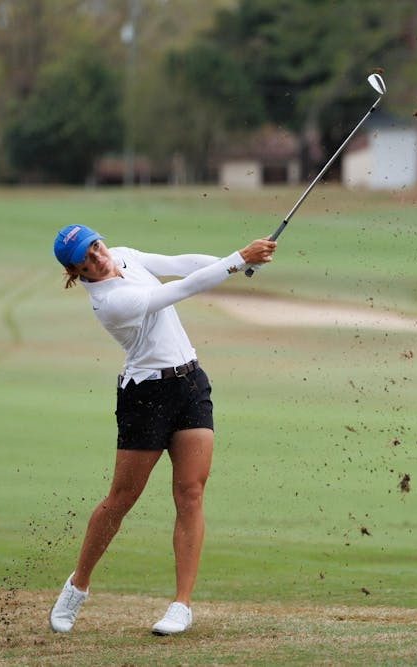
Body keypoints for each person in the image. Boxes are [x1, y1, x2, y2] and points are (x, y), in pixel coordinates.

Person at [47, 224, 277, 636]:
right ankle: (78, 584)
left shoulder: (121, 254)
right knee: (121, 499)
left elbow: (178, 265)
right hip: (145, 396)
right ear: (77, 272)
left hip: (190, 383)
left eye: (96, 247)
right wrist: (239, 259)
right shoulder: (111, 302)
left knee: (190, 492)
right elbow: (178, 290)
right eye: (88, 260)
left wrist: (232, 264)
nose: (100, 258)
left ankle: (180, 605)